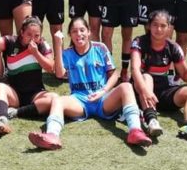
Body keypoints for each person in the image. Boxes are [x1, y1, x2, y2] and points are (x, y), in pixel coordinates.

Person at [27, 17, 152, 150]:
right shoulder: (67, 53)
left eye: (82, 30)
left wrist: (103, 91)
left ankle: (135, 131)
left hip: (103, 99)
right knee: (58, 100)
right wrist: (58, 45)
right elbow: (59, 73)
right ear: (70, 35)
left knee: (126, 86)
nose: (79, 34)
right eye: (74, 31)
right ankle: (52, 136)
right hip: (80, 100)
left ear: (89, 32)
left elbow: (114, 74)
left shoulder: (100, 48)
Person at [130, 10, 187, 144]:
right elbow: (135, 69)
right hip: (141, 90)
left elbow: (186, 77)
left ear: (169, 28)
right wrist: (146, 91)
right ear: (149, 26)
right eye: (155, 25)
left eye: (163, 26)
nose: (159, 29)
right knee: (147, 78)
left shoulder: (173, 47)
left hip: (163, 92)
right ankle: (152, 121)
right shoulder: (139, 42)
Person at [0, 12, 58, 134]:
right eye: (29, 34)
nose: (32, 38)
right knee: (0, 86)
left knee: (53, 98)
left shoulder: (41, 45)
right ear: (22, 32)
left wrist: (36, 53)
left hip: (36, 93)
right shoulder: (10, 41)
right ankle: (1, 120)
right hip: (15, 94)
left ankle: (15, 112)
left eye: (36, 35)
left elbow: (51, 68)